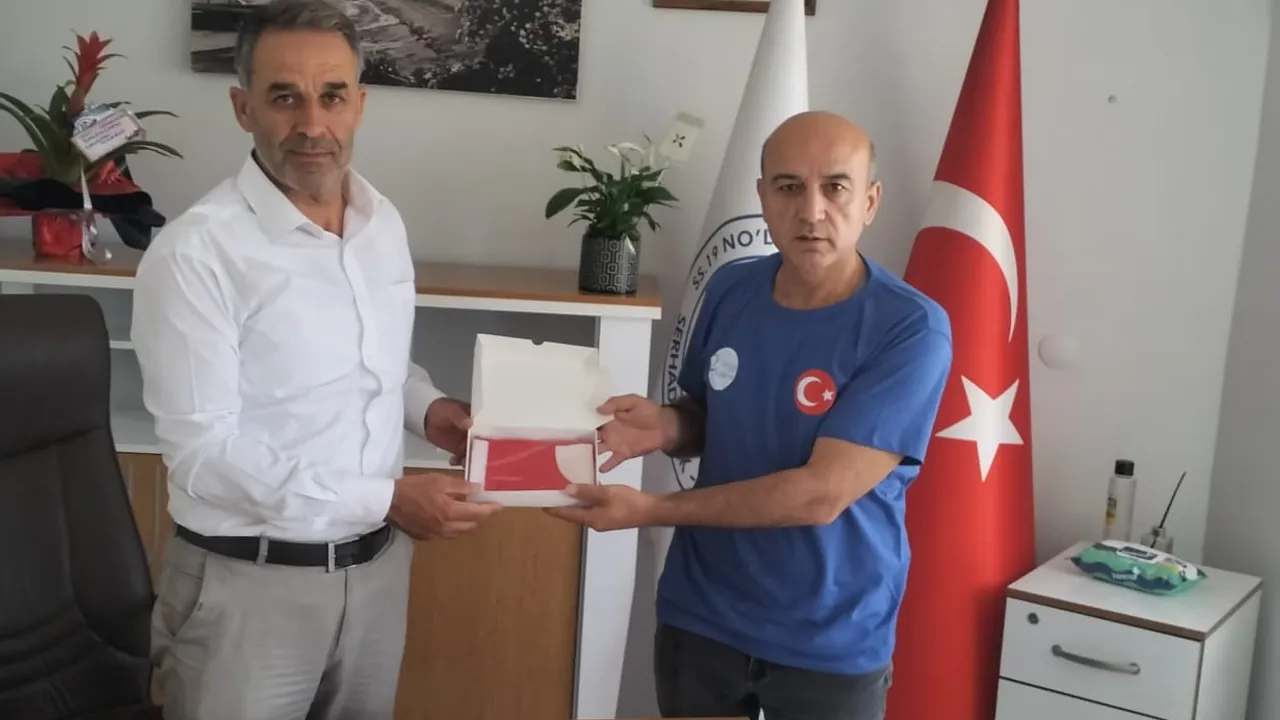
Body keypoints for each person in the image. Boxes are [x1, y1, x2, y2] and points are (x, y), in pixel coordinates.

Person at [130, 1, 502, 718]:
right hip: (248, 589)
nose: (311, 123)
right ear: (243, 109)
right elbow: (205, 454)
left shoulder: (380, 222)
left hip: (377, 572)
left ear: (359, 104)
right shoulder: (196, 253)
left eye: (331, 96)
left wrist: (431, 412)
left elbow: (376, 366)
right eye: (284, 98)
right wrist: (388, 498)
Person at [548, 111, 954, 720]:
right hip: (701, 614)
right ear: (762, 197)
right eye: (789, 187)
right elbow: (710, 417)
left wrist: (651, 511)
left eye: (835, 187)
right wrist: (666, 426)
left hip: (829, 634)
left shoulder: (910, 327)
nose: (811, 211)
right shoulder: (730, 288)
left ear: (870, 202)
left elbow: (820, 494)